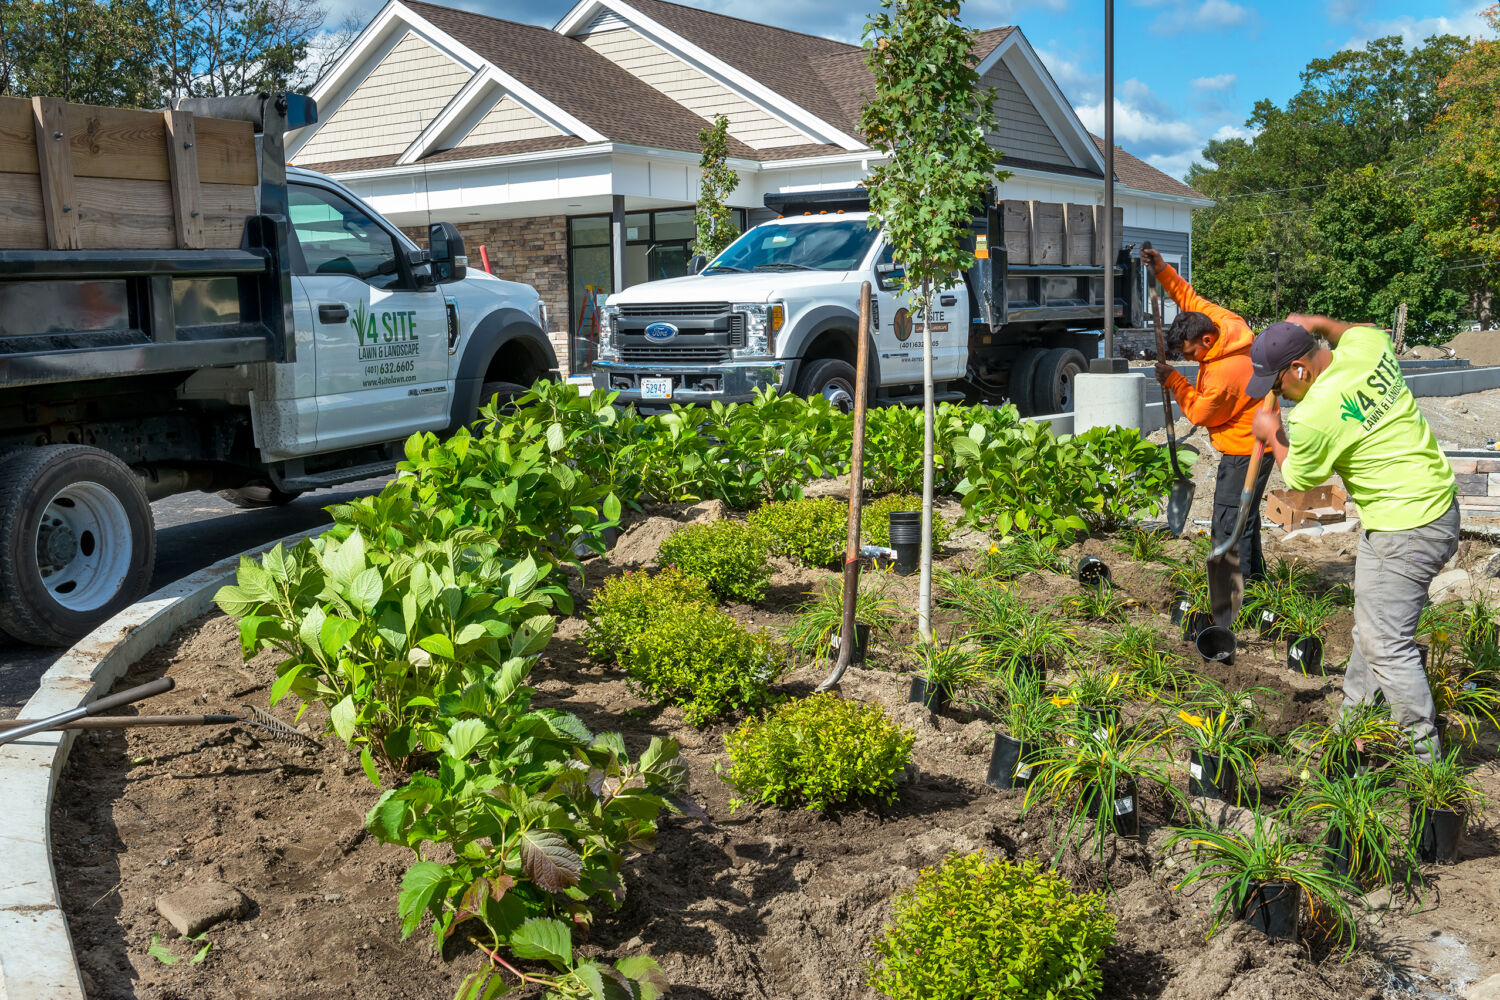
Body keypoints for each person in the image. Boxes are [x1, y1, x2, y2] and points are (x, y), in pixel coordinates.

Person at [1248, 315, 1458, 760]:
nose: (1276, 393)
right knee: (1373, 626)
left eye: (1278, 384)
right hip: (1436, 506)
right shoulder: (1368, 349)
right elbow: (1361, 328)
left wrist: (1274, 433)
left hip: (1404, 528)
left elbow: (1302, 486)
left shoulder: (1313, 416)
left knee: (1387, 644)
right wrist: (1316, 321)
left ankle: (1429, 765)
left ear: (1300, 371)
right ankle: (1354, 726)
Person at [1141, 247, 1270, 630]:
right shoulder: (1223, 322)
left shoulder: (1223, 375)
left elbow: (1198, 413)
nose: (1192, 359)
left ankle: (1236, 603)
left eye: (1193, 354)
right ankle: (1257, 587)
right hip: (1259, 438)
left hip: (1246, 448)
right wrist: (1163, 269)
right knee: (1244, 519)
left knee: (1228, 523)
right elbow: (1188, 297)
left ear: (1209, 340)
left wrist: (1175, 381)